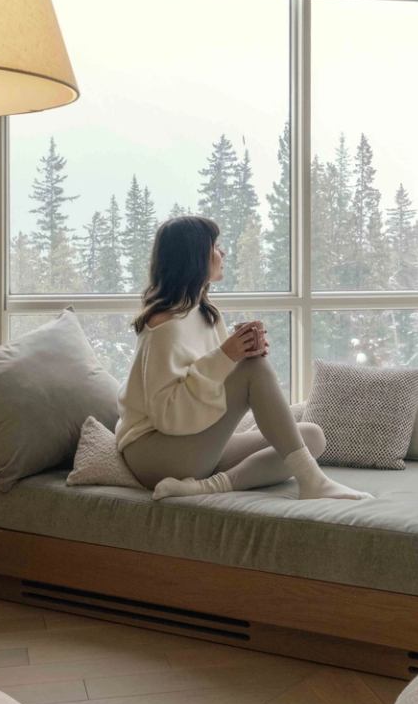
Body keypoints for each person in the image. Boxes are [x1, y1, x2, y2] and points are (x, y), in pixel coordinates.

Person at [117, 214, 370, 501]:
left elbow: (212, 378)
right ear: (195, 257)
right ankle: (313, 481)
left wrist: (240, 355)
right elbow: (168, 415)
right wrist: (230, 358)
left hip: (195, 441)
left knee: (311, 436)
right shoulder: (164, 326)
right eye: (215, 246)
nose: (222, 252)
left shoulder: (204, 313)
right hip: (156, 453)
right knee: (256, 370)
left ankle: (202, 487)